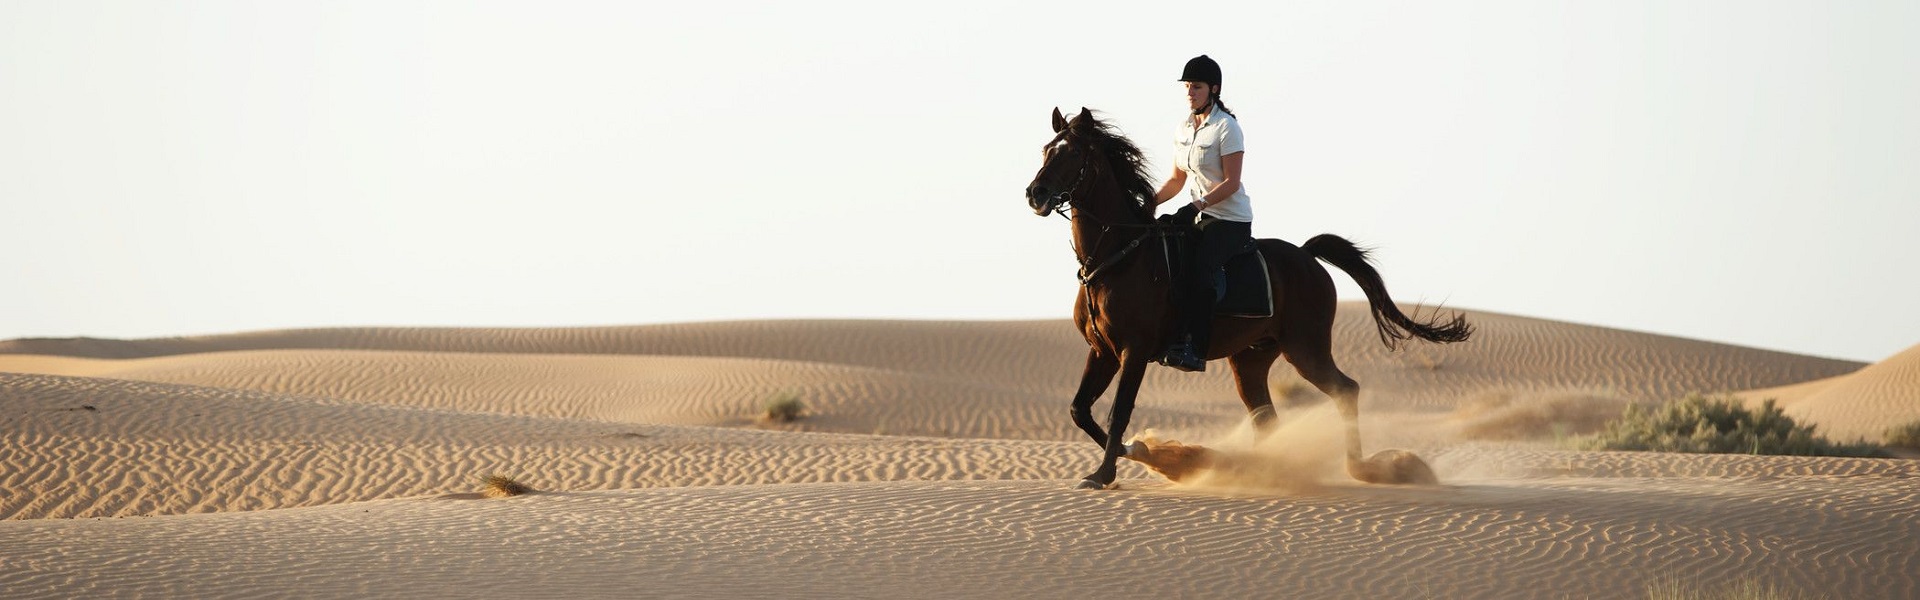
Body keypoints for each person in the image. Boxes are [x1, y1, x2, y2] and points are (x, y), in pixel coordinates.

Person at [1152, 54, 1254, 373]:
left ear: (1214, 88)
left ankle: (1195, 348)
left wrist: (1197, 205)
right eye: (1187, 86)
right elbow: (1176, 180)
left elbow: (1232, 183)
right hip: (1199, 217)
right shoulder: (1183, 128)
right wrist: (1148, 204)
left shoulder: (1227, 128)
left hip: (1230, 221)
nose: (1189, 92)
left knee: (1200, 266)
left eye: (1196, 86)